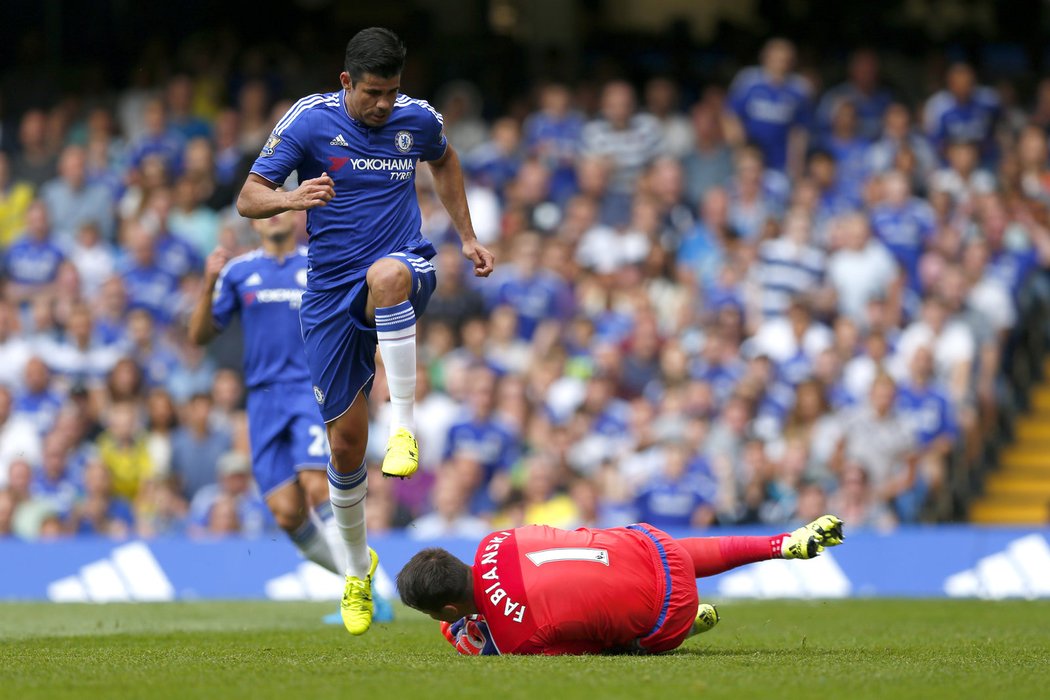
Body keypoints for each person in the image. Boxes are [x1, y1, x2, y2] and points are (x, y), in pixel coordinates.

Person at [236, 27, 494, 636]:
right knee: (346, 447)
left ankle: (402, 426)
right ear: (347, 81)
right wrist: (290, 201)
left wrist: (467, 236)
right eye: (373, 92)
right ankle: (356, 572)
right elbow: (249, 197)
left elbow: (445, 159)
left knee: (387, 277)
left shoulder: (418, 120)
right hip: (326, 291)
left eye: (393, 91)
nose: (384, 104)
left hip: (401, 262)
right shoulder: (308, 121)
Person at [396, 515, 844, 655]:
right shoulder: (497, 539)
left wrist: (466, 636)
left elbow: (592, 648)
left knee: (613, 643)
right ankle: (782, 542)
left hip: (667, 615)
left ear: (450, 610)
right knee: (646, 554)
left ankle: (689, 625)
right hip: (650, 545)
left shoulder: (515, 638)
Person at [188, 205, 346, 580]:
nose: (274, 214)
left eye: (283, 206)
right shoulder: (238, 272)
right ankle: (356, 580)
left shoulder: (319, 264)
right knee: (286, 512)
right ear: (254, 222)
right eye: (267, 209)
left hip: (310, 390)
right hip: (261, 398)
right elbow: (199, 336)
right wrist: (209, 282)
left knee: (316, 484)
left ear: (296, 217)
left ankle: (361, 584)